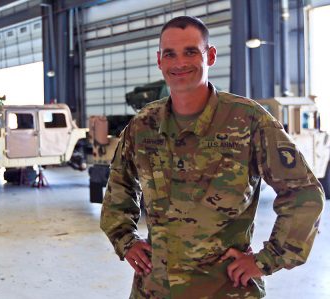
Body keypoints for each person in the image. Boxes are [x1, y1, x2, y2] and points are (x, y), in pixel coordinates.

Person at [100, 16, 324, 299]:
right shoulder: (144, 125)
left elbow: (304, 194)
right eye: (170, 54)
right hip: (156, 289)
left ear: (211, 56)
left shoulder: (249, 121)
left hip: (225, 289)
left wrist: (266, 260)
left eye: (191, 51)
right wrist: (125, 240)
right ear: (160, 61)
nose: (180, 63)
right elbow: (118, 186)